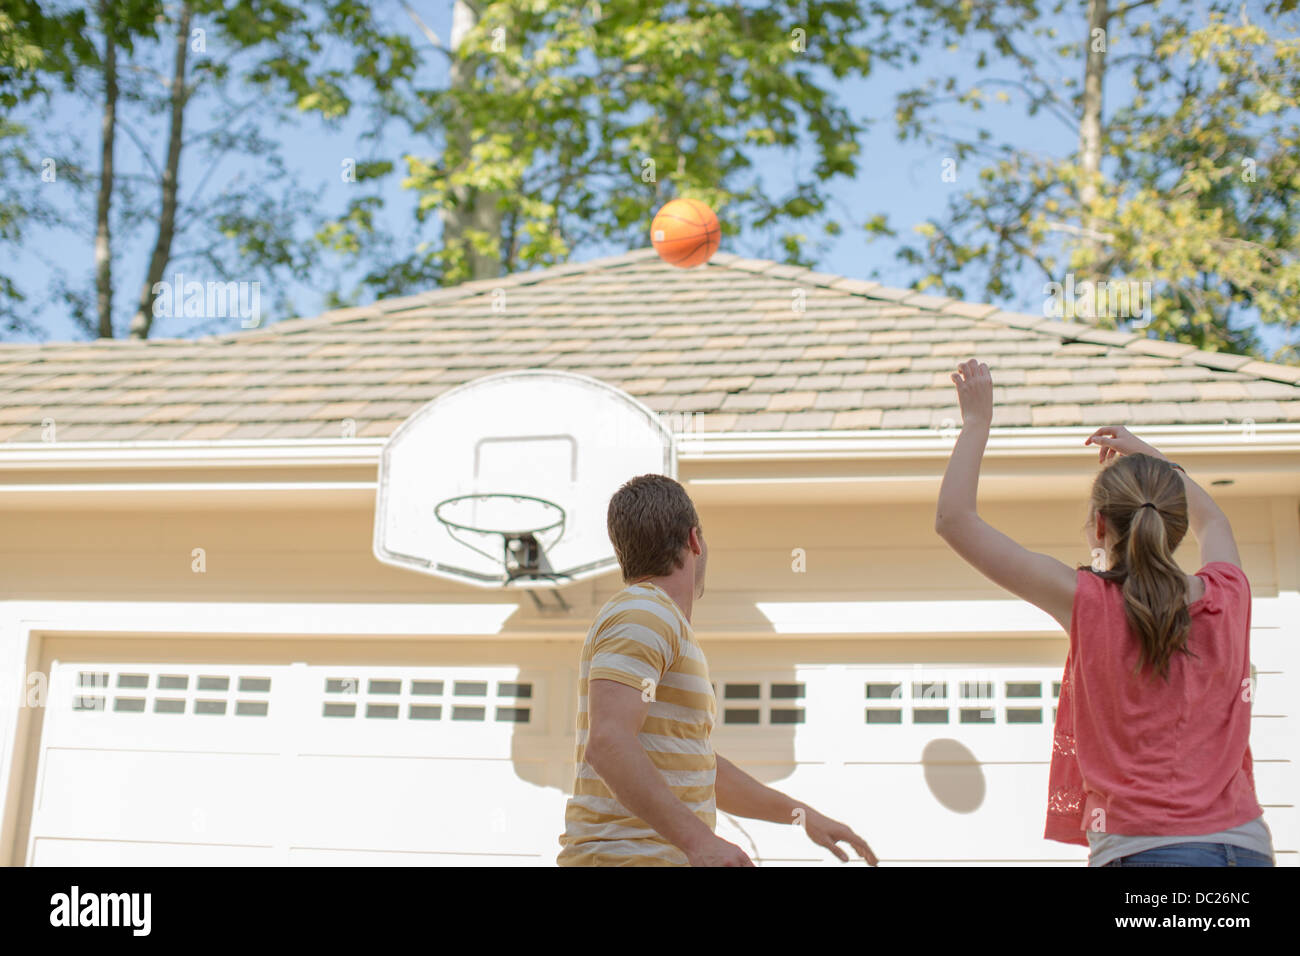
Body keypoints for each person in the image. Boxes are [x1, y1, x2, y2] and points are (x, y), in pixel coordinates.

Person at [935, 359, 1273, 867]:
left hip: (1146, 852)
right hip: (1247, 848)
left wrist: (976, 423)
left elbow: (954, 520)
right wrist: (1151, 461)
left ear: (1098, 527)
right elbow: (1215, 519)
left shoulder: (1087, 600)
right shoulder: (1228, 594)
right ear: (1175, 524)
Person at [556, 473, 878, 867]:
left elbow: (703, 770)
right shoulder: (642, 614)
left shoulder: (660, 621)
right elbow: (608, 742)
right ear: (694, 540)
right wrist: (699, 841)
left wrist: (802, 816)